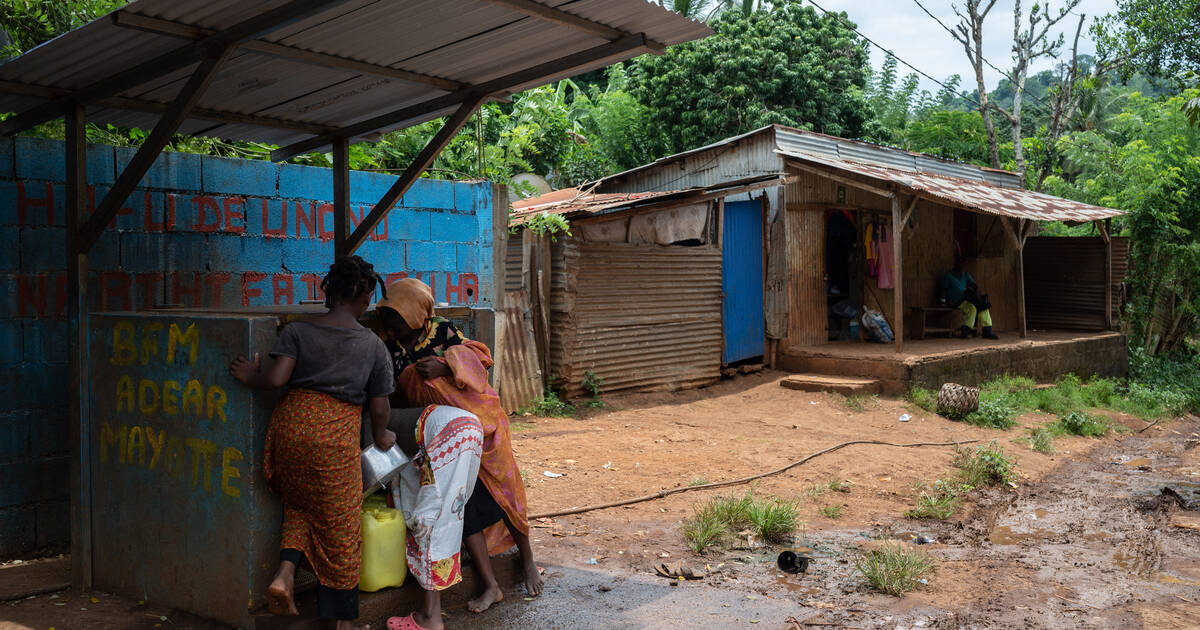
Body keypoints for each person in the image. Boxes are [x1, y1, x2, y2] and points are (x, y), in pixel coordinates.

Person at [230, 256, 395, 630]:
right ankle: (342, 623)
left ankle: (284, 576)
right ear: (365, 295)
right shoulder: (372, 345)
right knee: (341, 527)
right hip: (333, 437)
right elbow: (380, 406)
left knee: (300, 506)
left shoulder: (298, 331)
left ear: (330, 291)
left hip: (290, 428)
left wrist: (250, 374)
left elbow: (275, 380)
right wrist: (383, 434)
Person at [375, 278, 542, 613]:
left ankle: (527, 561)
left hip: (481, 422)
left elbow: (479, 360)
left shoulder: (441, 330)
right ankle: (489, 584)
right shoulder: (387, 346)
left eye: (396, 317)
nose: (391, 324)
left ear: (414, 314)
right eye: (388, 317)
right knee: (464, 505)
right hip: (441, 433)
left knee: (506, 493)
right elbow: (390, 393)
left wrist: (445, 366)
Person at [384, 405, 485, 630]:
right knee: (451, 513)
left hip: (447, 432)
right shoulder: (403, 421)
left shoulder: (374, 422)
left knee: (431, 521)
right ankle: (431, 612)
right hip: (471, 425)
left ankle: (430, 616)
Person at [940, 258, 999, 340]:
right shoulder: (949, 276)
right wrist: (943, 301)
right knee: (972, 308)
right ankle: (965, 331)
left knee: (983, 305)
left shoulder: (965, 275)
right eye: (959, 265)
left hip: (967, 298)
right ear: (955, 265)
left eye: (962, 265)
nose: (961, 267)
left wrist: (976, 293)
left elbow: (974, 285)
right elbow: (944, 290)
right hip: (956, 301)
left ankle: (987, 331)